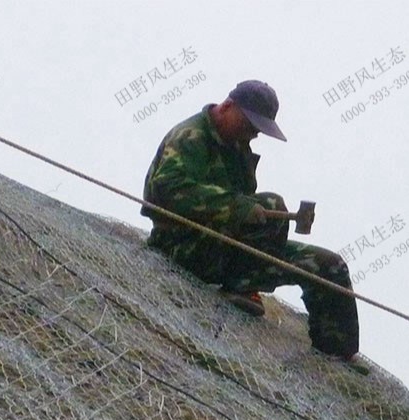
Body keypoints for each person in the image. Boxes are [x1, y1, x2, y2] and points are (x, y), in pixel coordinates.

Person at [141, 80, 360, 362]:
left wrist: (255, 213)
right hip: (185, 245)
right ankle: (242, 284)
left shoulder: (237, 146)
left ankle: (338, 352)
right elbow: (166, 190)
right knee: (271, 204)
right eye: (249, 125)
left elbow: (244, 203)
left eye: (257, 129)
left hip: (228, 246)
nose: (254, 135)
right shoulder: (191, 137)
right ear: (227, 107)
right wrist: (237, 207)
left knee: (327, 265)